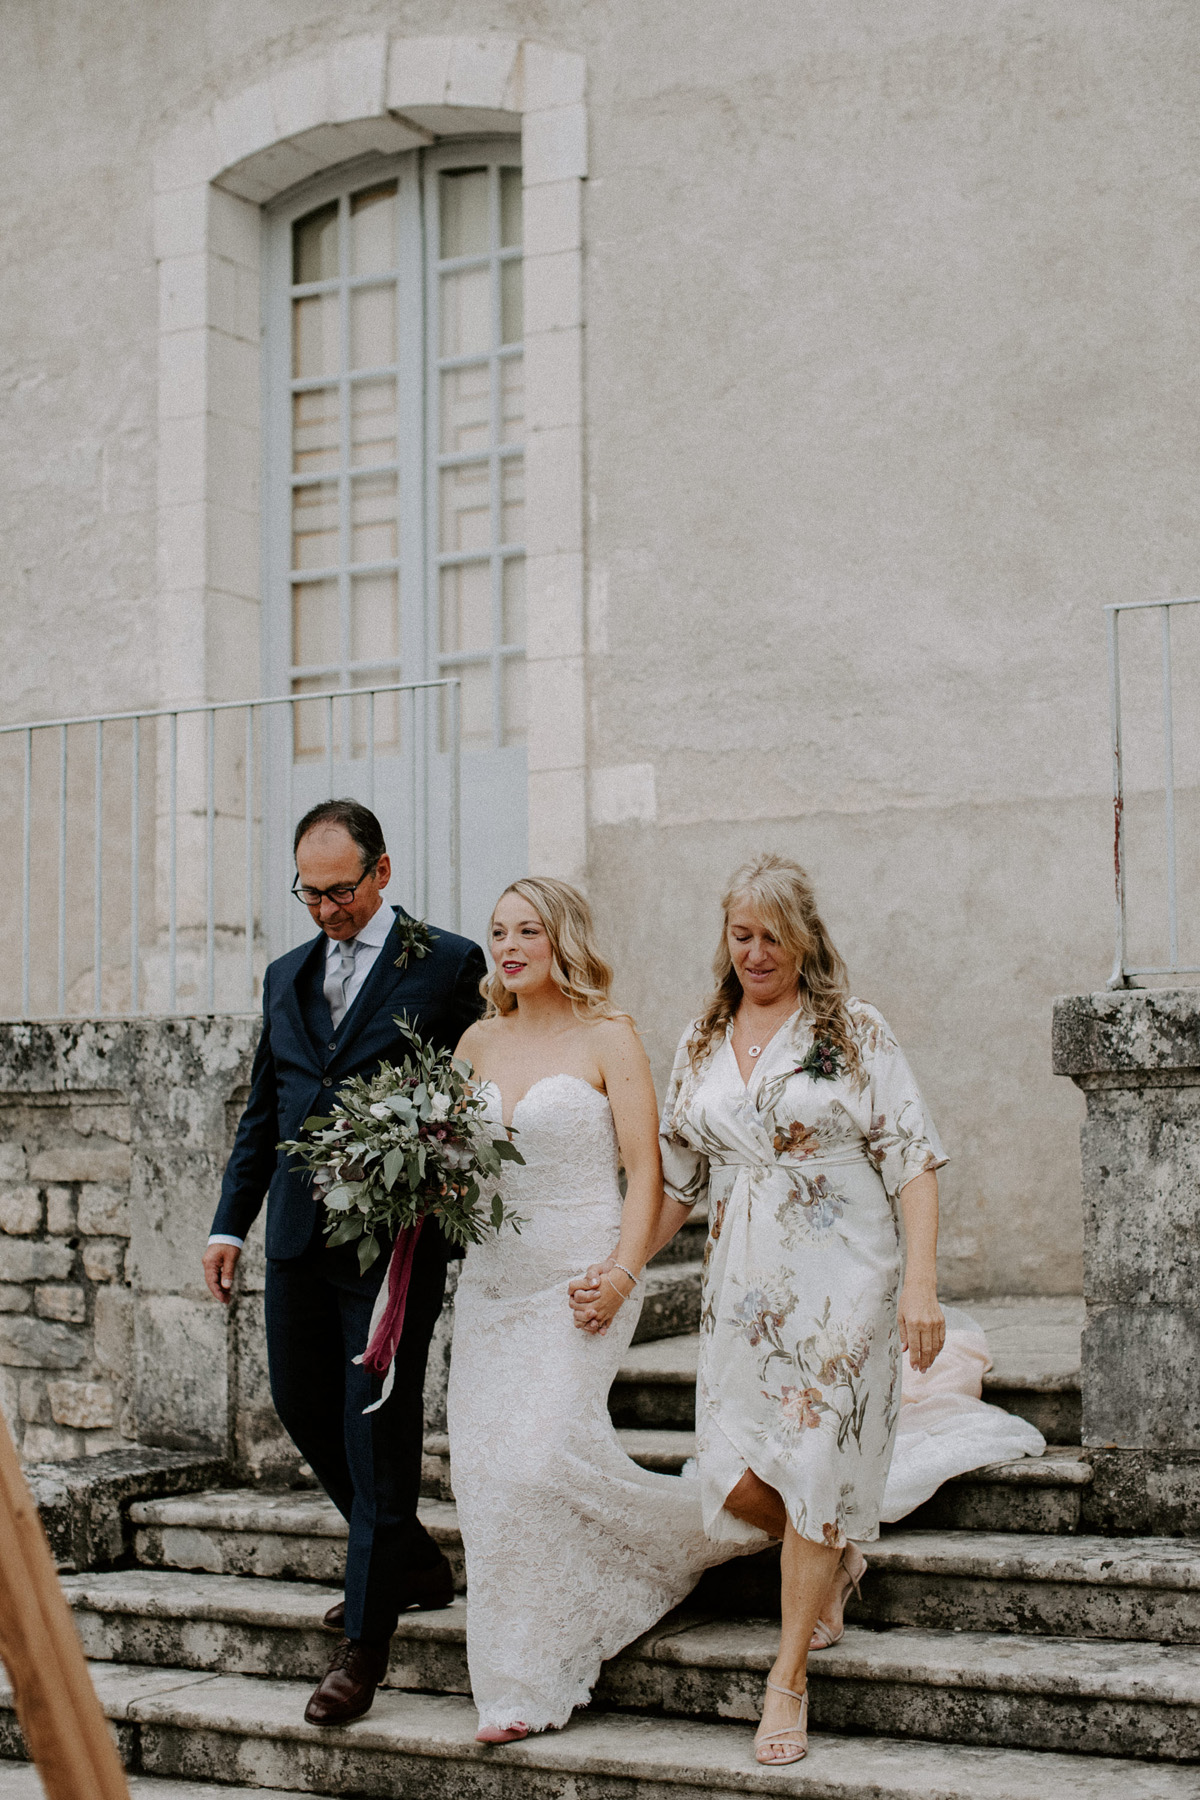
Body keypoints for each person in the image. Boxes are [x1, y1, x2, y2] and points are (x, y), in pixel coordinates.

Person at [647, 853, 946, 1765]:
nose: (757, 951)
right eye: (743, 934)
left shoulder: (853, 1031)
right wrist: (620, 1269)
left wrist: (921, 1288)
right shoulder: (700, 1041)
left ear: (804, 938)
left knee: (815, 1462)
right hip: (741, 1290)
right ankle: (837, 1559)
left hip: (845, 1275)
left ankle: (785, 1686)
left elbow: (914, 1160)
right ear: (725, 938)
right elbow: (674, 1182)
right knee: (730, 1479)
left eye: (774, 934)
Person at [446, 877, 760, 1743]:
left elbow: (648, 1172)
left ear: (564, 940)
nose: (510, 947)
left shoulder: (608, 1034)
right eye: (499, 932)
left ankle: (748, 1531)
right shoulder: (473, 1041)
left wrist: (625, 1272)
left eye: (529, 932)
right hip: (492, 1286)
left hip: (585, 1280)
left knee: (540, 1462)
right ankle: (516, 1683)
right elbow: (453, 1168)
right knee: (484, 1478)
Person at [201, 799, 485, 1727]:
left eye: (341, 890)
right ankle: (408, 1560)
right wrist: (227, 1227)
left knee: (377, 1428)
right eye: (309, 893)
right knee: (299, 1403)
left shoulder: (444, 965)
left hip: (392, 1243)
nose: (325, 909)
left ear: (383, 873)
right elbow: (264, 1113)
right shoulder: (287, 973)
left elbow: (477, 1088)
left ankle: (365, 1648)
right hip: (292, 1238)